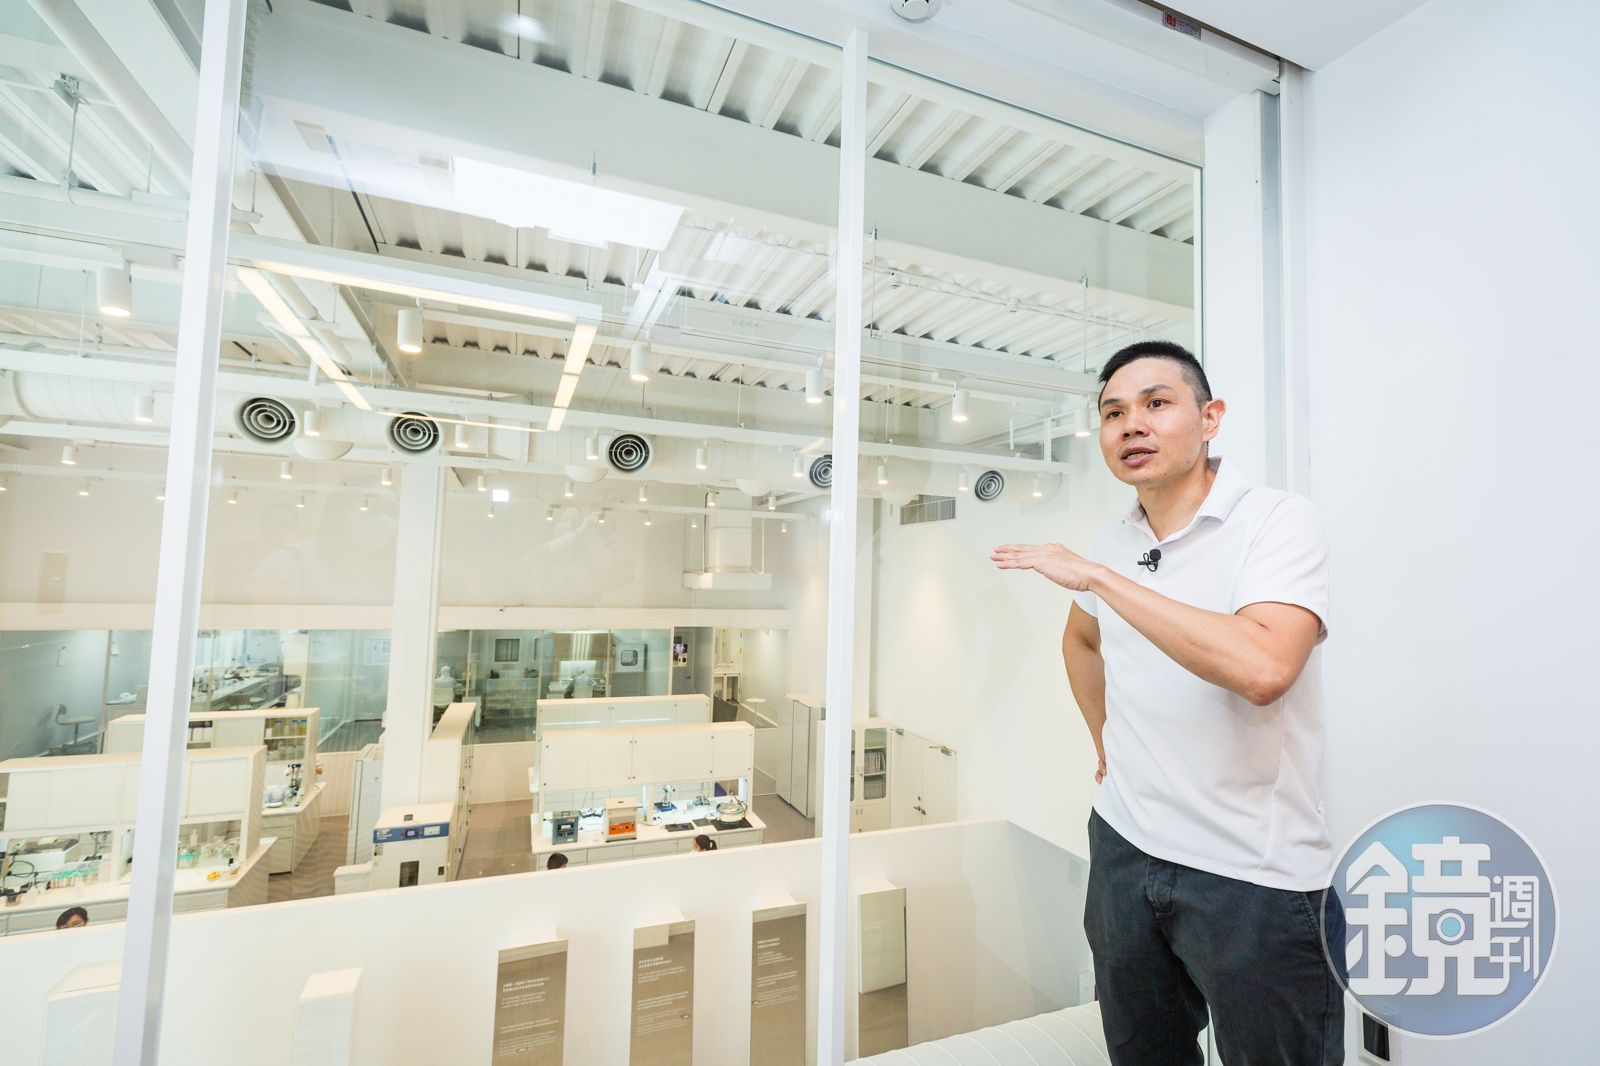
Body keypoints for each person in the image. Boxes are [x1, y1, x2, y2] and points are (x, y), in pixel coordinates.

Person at [992, 340, 1344, 1066]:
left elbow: (1264, 667)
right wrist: (1105, 741)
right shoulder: (1112, 540)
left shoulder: (1276, 521)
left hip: (1252, 874)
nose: (1132, 425)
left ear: (1210, 418)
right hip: (1124, 846)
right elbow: (1081, 642)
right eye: (1113, 413)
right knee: (1142, 1051)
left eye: (1156, 403)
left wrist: (1100, 577)